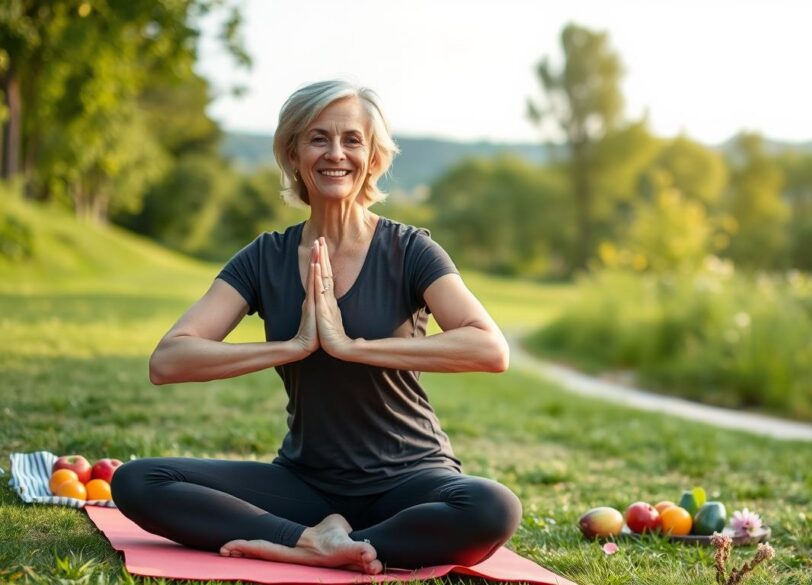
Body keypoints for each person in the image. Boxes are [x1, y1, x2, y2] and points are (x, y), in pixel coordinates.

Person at [111, 79, 521, 574]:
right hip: (307, 484)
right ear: (294, 154)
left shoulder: (409, 250)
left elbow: (488, 348)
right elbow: (169, 360)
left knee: (493, 507)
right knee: (138, 481)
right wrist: (295, 345)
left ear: (373, 157)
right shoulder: (266, 257)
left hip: (409, 478)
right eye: (318, 138)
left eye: (352, 139)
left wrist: (352, 347)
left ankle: (317, 545)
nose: (336, 153)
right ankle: (314, 539)